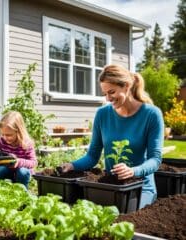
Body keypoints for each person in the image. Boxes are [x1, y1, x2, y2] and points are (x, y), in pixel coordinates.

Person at [61, 64, 164, 208]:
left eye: (112, 92)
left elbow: (155, 159)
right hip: (111, 185)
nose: (108, 98)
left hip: (140, 187)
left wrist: (133, 171)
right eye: (105, 94)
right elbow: (92, 156)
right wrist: (72, 165)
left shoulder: (152, 114)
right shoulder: (102, 114)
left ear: (126, 86)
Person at [0, 111, 37, 188]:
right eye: (3, 134)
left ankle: (22, 190)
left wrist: (19, 162)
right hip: (7, 169)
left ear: (18, 132)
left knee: (22, 172)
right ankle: (1, 189)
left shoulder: (26, 144)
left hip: (21, 171)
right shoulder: (2, 140)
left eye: (8, 135)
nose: (5, 137)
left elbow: (33, 162)